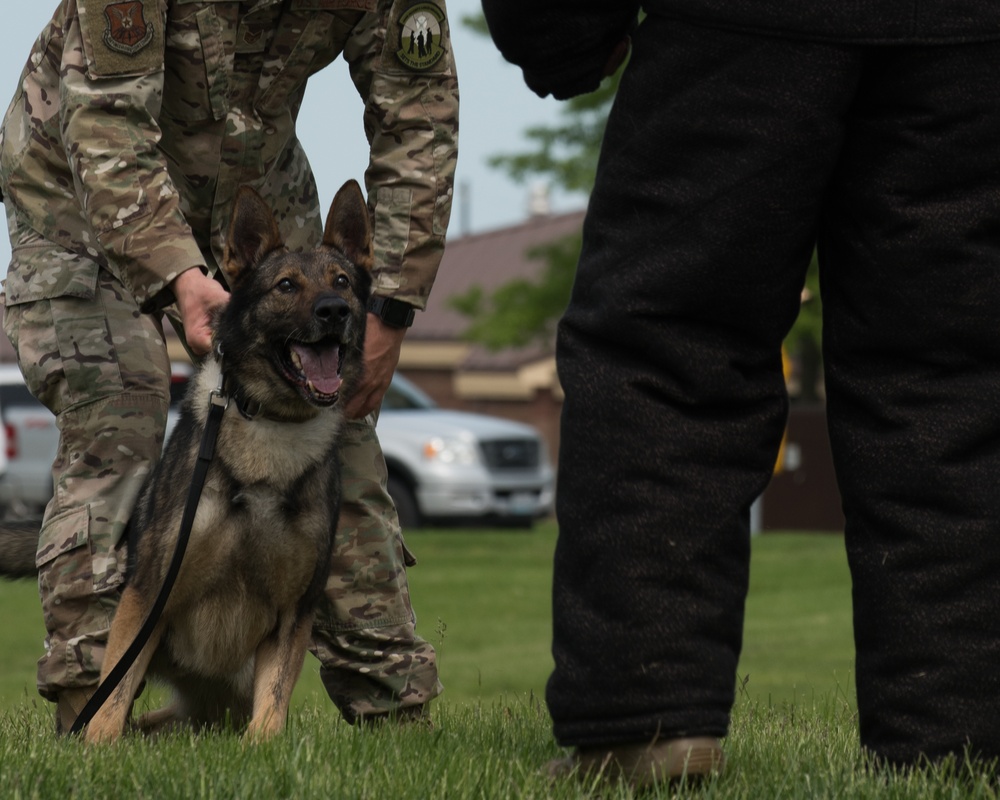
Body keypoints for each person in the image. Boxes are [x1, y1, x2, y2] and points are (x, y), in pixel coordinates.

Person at [483, 0, 1000, 787]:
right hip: (968, 40)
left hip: (734, 27)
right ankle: (959, 738)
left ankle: (647, 717)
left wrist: (557, 31)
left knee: (668, 352)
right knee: (949, 377)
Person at [0, 0, 458, 734]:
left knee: (335, 423)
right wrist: (179, 275)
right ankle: (92, 707)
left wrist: (393, 307)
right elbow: (107, 126)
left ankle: (393, 707)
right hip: (79, 197)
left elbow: (420, 119)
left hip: (254, 189)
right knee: (123, 401)